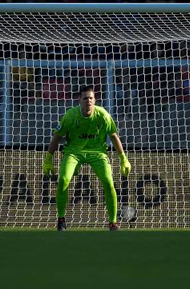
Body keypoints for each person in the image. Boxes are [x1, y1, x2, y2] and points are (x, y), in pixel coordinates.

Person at [42, 85, 131, 231]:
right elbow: (57, 137)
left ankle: (113, 222)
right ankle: (61, 219)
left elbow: (113, 136)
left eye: (91, 98)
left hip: (97, 152)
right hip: (73, 152)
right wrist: (48, 159)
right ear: (79, 100)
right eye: (85, 98)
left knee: (109, 182)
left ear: (95, 100)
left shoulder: (103, 115)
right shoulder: (70, 116)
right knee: (63, 179)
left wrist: (123, 158)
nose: (88, 101)